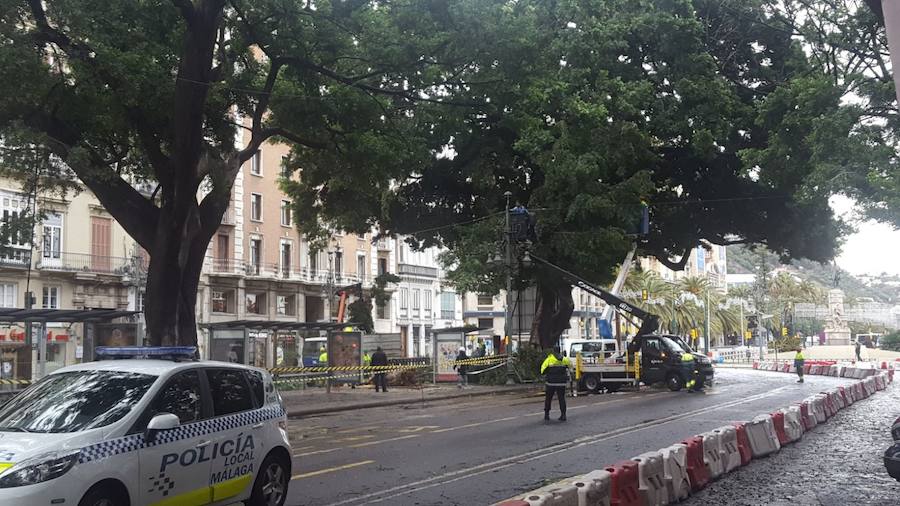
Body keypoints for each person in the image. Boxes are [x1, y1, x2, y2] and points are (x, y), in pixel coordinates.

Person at [541, 346, 571, 422]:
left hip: (550, 383)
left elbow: (542, 370)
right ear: (560, 351)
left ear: (553, 351)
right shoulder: (565, 359)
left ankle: (546, 415)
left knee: (548, 399)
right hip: (561, 383)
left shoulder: (549, 359)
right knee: (561, 398)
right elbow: (570, 367)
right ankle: (563, 415)